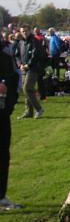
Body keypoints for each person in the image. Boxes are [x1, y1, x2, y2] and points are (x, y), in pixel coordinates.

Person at [0, 38, 22, 210]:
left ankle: (1, 196)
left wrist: (9, 105)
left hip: (2, 111)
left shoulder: (6, 52)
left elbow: (15, 77)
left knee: (2, 153)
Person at [17, 25, 46, 119]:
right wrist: (20, 64)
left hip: (33, 68)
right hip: (24, 69)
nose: (24, 32)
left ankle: (39, 109)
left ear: (30, 31)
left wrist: (28, 65)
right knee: (27, 91)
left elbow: (36, 55)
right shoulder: (21, 42)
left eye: (26, 31)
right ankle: (29, 111)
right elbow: (17, 55)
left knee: (26, 88)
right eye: (23, 31)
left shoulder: (34, 41)